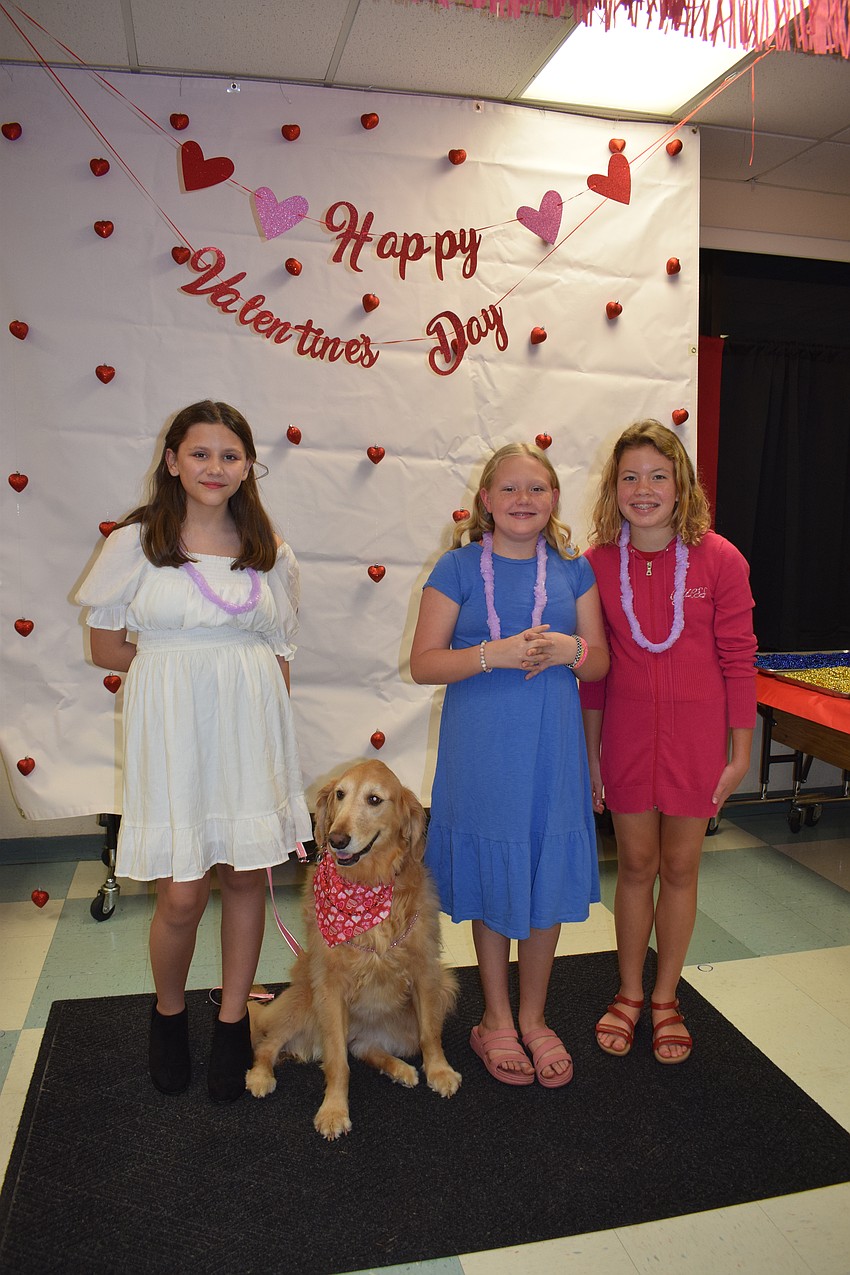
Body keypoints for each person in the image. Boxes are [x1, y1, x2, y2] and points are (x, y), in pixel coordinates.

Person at [76, 400, 312, 1101]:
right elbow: (104, 645)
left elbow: (281, 651)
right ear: (172, 459)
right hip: (174, 725)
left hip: (251, 726)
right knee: (181, 893)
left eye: (231, 455)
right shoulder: (137, 542)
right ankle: (168, 1013)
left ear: (248, 467)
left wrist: (265, 725)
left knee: (244, 877)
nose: (216, 466)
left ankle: (234, 1021)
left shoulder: (271, 551)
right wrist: (178, 669)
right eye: (201, 452)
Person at [410, 443, 609, 1087]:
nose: (524, 500)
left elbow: (600, 662)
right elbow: (424, 663)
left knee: (543, 873)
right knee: (497, 875)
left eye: (538, 489)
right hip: (483, 750)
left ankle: (534, 1017)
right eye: (510, 489)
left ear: (554, 500)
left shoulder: (574, 570)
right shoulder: (458, 568)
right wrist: (490, 655)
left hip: (553, 749)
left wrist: (568, 648)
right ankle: (494, 1020)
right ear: (486, 501)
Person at [581, 419, 757, 1064]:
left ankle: (665, 998)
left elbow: (739, 657)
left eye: (659, 475)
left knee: (681, 867)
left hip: (698, 740)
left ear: (682, 486)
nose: (644, 488)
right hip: (625, 738)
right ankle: (628, 993)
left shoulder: (720, 558)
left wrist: (740, 752)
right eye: (631, 477)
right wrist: (591, 753)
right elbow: (592, 676)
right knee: (635, 866)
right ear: (614, 488)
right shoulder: (595, 565)